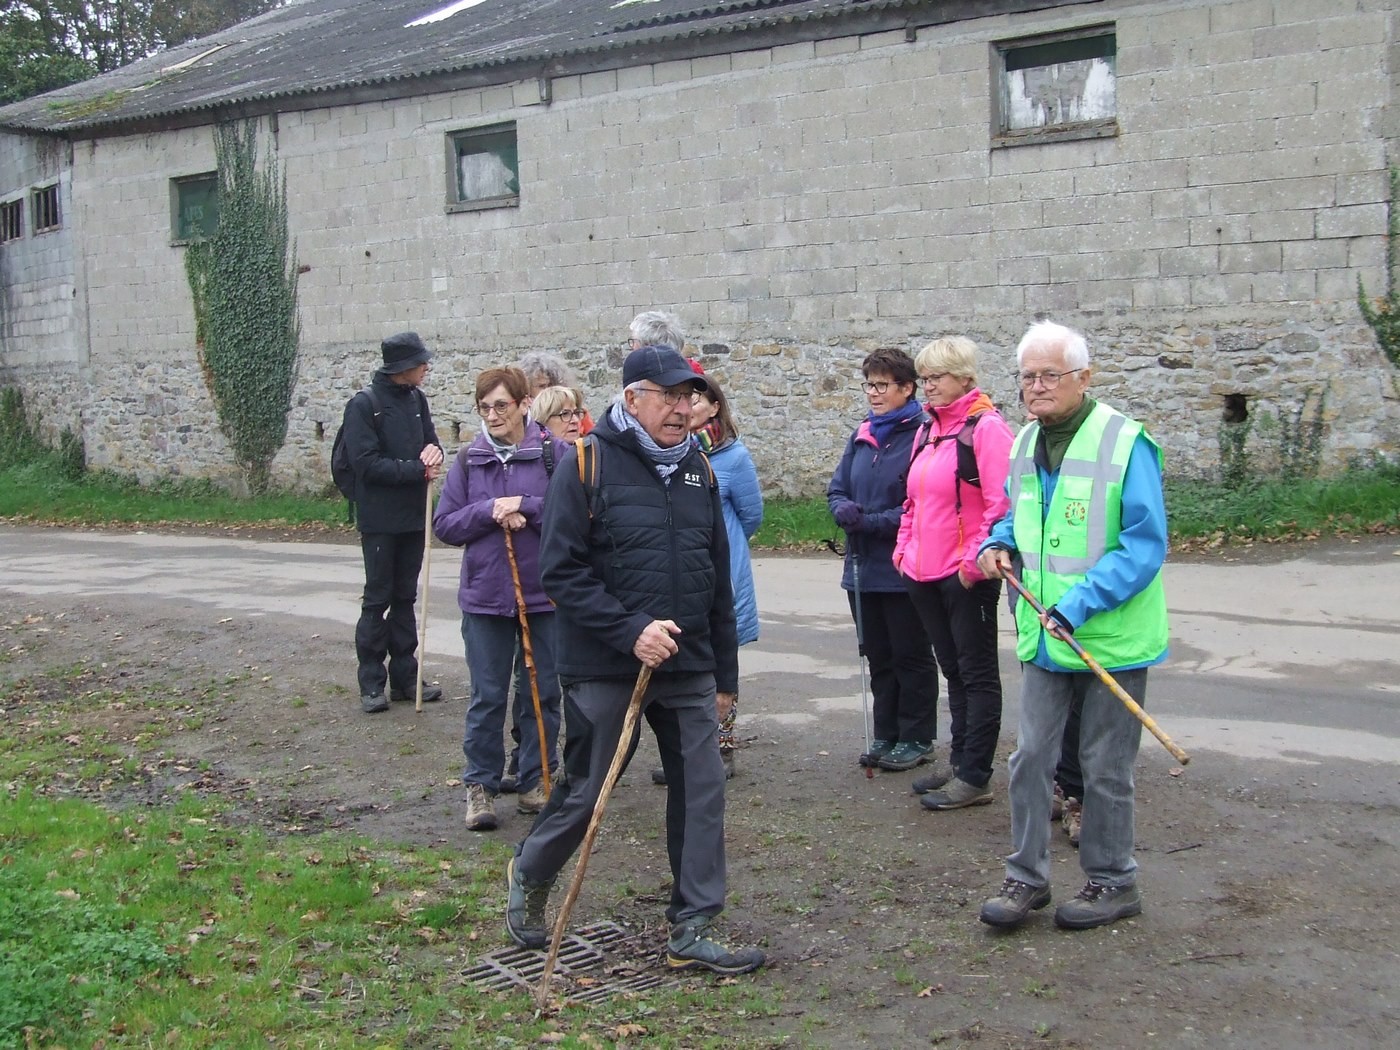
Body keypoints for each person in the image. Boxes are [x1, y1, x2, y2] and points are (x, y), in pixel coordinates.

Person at [506, 343, 764, 975]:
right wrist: (630, 631)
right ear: (632, 399)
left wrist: (724, 676)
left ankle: (694, 923)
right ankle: (531, 872)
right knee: (590, 786)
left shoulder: (700, 468)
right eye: (669, 396)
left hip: (691, 662)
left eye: (689, 397)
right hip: (607, 663)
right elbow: (560, 572)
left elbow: (716, 579)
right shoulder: (586, 464)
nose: (683, 410)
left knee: (701, 789)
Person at [976, 320, 1169, 931]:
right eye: (1028, 376)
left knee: (1105, 766)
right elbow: (1017, 515)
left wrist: (1079, 604)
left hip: (1109, 639)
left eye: (1050, 375)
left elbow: (1144, 545)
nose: (1037, 386)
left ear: (1084, 378)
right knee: (1031, 756)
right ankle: (1025, 877)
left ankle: (1113, 881)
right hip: (1043, 633)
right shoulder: (1024, 441)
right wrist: (998, 543)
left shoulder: (1124, 441)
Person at [433, 367, 566, 831]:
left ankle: (536, 781)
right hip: (486, 595)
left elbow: (577, 514)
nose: (492, 415)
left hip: (544, 596)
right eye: (484, 407)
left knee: (541, 693)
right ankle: (481, 787)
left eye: (501, 406)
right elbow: (445, 524)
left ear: (525, 404)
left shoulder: (554, 454)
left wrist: (525, 506)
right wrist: (490, 510)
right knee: (487, 696)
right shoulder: (470, 460)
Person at [894, 337, 1014, 810]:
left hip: (965, 575)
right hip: (922, 571)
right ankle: (961, 758)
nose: (928, 386)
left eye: (936, 377)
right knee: (954, 671)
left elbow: (1001, 505)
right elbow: (913, 500)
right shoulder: (929, 430)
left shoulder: (987, 429)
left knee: (977, 674)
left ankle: (975, 774)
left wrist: (971, 564)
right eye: (924, 378)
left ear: (965, 377)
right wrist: (903, 552)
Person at [826, 349, 940, 773]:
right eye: (868, 384)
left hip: (903, 564)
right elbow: (837, 487)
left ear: (906, 388)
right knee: (877, 653)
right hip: (861, 566)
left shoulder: (922, 435)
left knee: (910, 653)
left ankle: (917, 735)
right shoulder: (862, 434)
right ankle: (887, 731)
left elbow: (921, 503)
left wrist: (872, 522)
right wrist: (841, 509)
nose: (873, 393)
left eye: (881, 385)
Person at [650, 375, 763, 783]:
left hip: (724, 573)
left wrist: (723, 544)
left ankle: (723, 745)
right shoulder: (673, 454)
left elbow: (752, 516)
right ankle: (684, 748)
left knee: (720, 659)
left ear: (715, 407)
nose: (688, 407)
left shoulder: (734, 458)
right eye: (682, 399)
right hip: (683, 575)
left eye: (696, 400)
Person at [342, 332, 445, 714]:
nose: (426, 367)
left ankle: (406, 678)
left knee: (406, 598)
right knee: (377, 599)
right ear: (402, 368)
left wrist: (434, 454)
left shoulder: (418, 400)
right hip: (380, 520)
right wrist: (415, 469)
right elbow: (365, 463)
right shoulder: (363, 405)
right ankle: (371, 683)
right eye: (420, 363)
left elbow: (431, 442)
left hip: (414, 516)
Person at [519, 352, 592, 434]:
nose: (547, 390)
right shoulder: (523, 416)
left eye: (551, 385)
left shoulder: (578, 412)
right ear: (528, 389)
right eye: (542, 386)